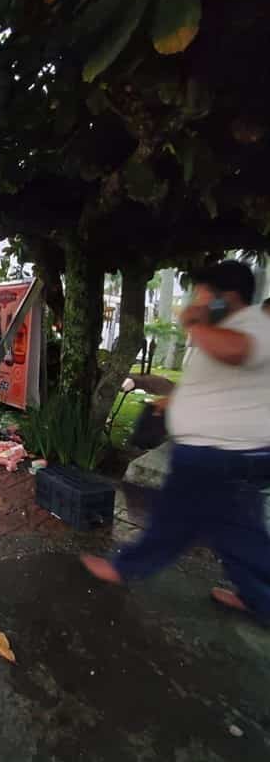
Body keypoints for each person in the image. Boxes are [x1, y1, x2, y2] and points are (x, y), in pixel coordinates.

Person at [82, 260, 270, 623]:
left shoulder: (252, 325)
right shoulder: (225, 327)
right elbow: (222, 380)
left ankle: (125, 568)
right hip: (221, 452)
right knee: (236, 532)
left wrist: (195, 322)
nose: (195, 299)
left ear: (225, 296)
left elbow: (235, 351)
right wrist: (176, 400)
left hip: (222, 453)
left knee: (176, 519)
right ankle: (257, 598)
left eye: (202, 293)